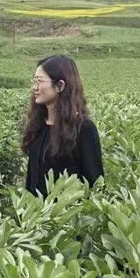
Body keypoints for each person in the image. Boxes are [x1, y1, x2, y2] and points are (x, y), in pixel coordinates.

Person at [21, 54, 103, 197]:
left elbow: (95, 185)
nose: (35, 87)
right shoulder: (38, 125)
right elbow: (31, 180)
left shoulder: (84, 129)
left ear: (60, 85)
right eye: (34, 81)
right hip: (35, 216)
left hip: (66, 217)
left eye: (39, 81)